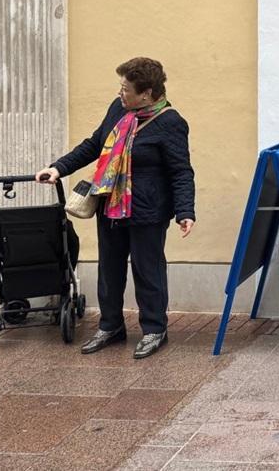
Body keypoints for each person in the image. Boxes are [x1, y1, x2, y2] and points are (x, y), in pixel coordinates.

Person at [35, 57, 195, 359]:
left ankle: (154, 329)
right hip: (110, 204)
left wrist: (185, 211)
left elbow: (181, 171)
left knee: (148, 271)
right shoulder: (118, 109)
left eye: (126, 89)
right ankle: (110, 326)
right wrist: (58, 168)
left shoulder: (171, 122)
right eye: (120, 88)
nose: (121, 93)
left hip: (147, 209)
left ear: (146, 93)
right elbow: (94, 144)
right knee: (109, 269)